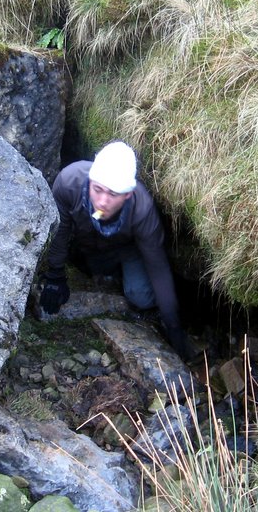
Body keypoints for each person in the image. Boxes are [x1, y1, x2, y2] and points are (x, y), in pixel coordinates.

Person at [39, 141, 196, 360]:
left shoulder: (142, 209)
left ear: (128, 195)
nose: (102, 201)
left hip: (124, 250)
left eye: (113, 194)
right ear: (91, 180)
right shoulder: (69, 182)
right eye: (97, 189)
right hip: (83, 243)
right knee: (85, 263)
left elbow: (157, 265)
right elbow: (60, 230)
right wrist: (54, 274)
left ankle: (124, 280)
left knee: (140, 297)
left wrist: (173, 324)